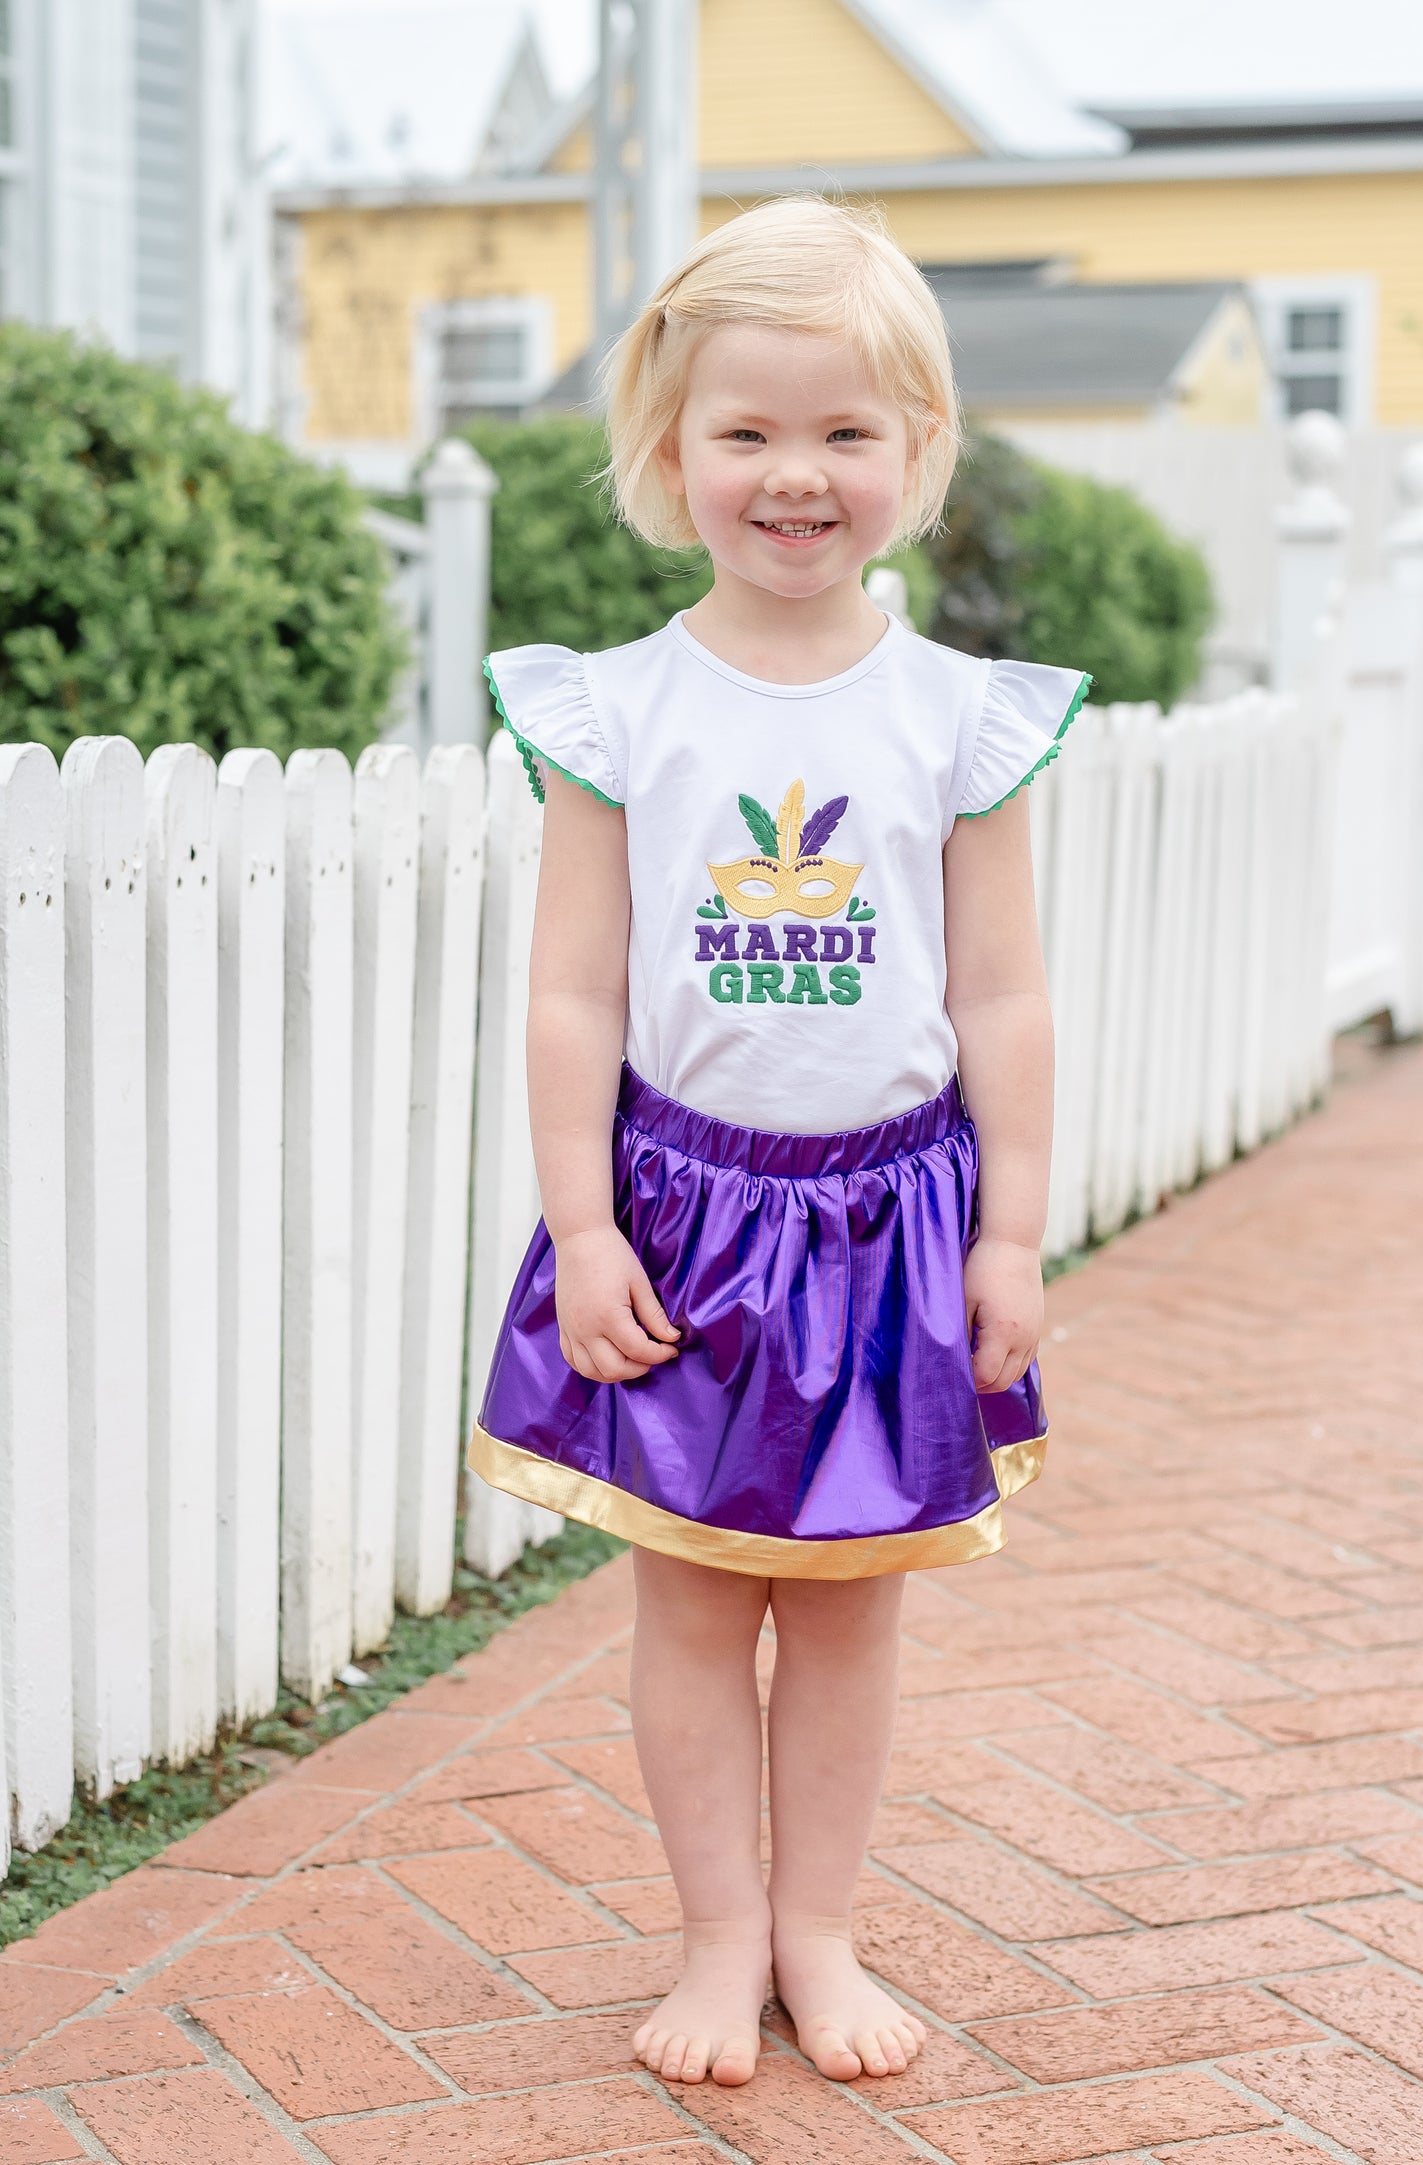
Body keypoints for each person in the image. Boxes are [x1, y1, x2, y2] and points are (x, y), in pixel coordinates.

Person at [468, 197, 1087, 2092]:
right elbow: (576, 991)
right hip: (683, 1216)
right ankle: (715, 1934)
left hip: (892, 1223)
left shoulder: (957, 720)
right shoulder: (619, 709)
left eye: (843, 431)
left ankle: (817, 1929)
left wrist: (1011, 1232)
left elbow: (1000, 1000)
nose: (793, 473)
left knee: (841, 1612)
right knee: (690, 1597)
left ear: (916, 453)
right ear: (670, 453)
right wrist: (580, 1225)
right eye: (745, 430)